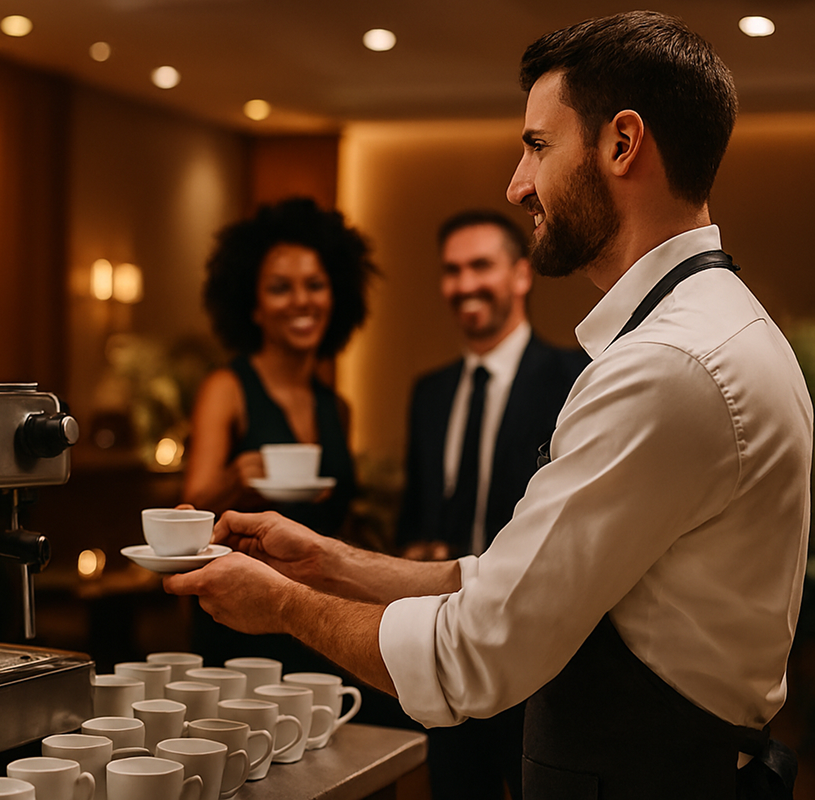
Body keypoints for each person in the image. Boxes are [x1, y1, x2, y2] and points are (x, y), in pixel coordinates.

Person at [165, 11, 813, 800]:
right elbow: (511, 579)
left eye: (536, 145)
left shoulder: (669, 365)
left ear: (620, 143)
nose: (516, 183)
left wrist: (282, 604)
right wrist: (328, 561)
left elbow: (475, 650)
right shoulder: (712, 324)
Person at [397, 209, 588, 799]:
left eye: (481, 265)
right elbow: (413, 516)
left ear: (522, 275)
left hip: (540, 666)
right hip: (443, 649)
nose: (464, 284)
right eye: (452, 270)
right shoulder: (428, 393)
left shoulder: (575, 379)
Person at [182, 196, 376, 537]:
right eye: (280, 288)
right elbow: (189, 512)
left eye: (315, 285)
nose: (301, 300)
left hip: (319, 588)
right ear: (253, 307)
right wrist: (234, 484)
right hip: (246, 582)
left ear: (336, 298)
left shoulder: (337, 408)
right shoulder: (227, 389)